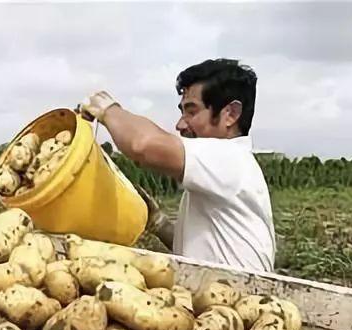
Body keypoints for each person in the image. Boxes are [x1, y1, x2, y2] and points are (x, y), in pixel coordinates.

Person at [79, 58, 276, 273]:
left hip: (233, 301)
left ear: (231, 114)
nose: (180, 124)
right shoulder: (216, 174)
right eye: (182, 111)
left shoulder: (230, 159)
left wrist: (106, 108)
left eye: (191, 111)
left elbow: (143, 145)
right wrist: (159, 223)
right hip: (216, 298)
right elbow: (202, 250)